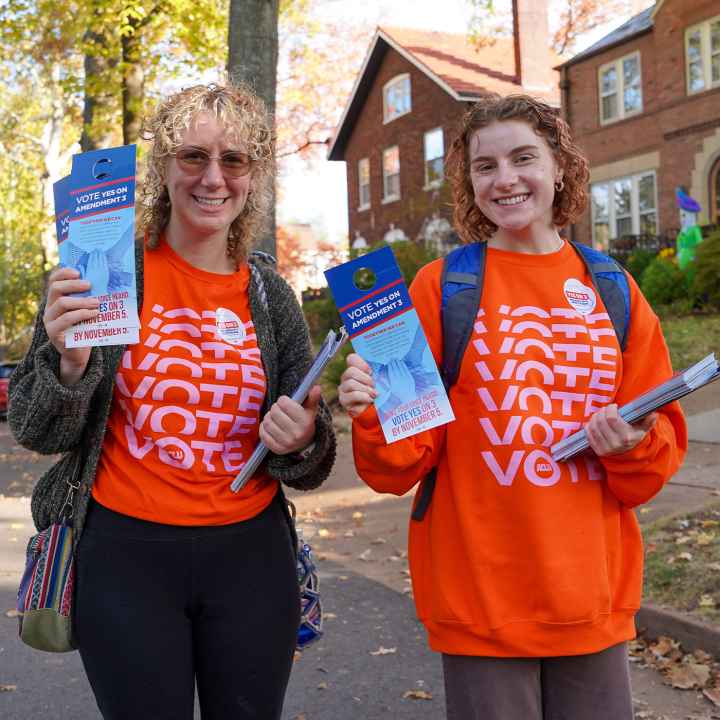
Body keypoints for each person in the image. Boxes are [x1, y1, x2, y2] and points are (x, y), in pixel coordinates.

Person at [338, 94, 687, 720]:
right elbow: (397, 466)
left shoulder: (611, 288)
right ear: (470, 184)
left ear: (560, 166)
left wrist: (632, 445)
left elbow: (657, 457)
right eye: (484, 166)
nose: (506, 179)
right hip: (480, 600)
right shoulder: (441, 287)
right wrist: (370, 413)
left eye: (523, 158)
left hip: (591, 596)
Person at [9, 83, 336, 720]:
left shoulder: (270, 297)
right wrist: (69, 365)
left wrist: (302, 439)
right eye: (193, 157)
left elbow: (309, 465)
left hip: (251, 558)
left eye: (233, 160)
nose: (213, 178)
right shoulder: (104, 276)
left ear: (253, 175)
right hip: (124, 558)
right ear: (163, 167)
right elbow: (34, 428)